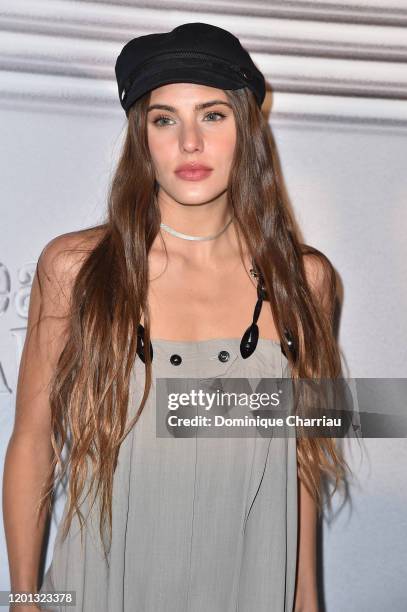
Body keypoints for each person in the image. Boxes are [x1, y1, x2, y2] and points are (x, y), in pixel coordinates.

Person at [3, 22, 351, 612]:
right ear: (142, 139)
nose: (190, 142)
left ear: (247, 128)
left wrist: (306, 599)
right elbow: (34, 443)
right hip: (100, 589)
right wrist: (29, 601)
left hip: (247, 587)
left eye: (212, 115)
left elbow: (302, 457)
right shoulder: (75, 267)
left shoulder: (304, 281)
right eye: (165, 119)